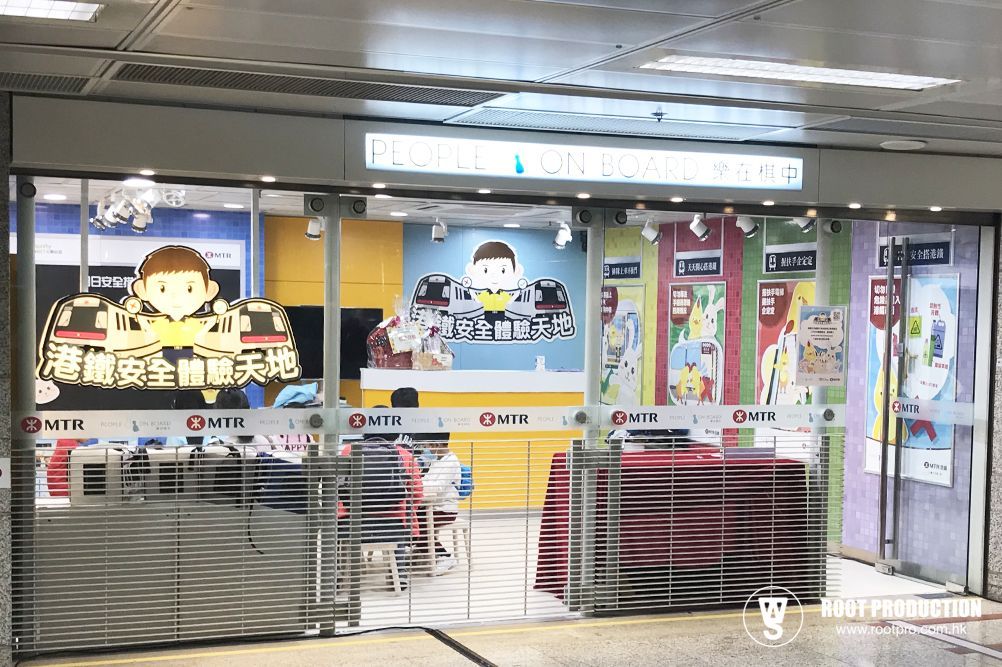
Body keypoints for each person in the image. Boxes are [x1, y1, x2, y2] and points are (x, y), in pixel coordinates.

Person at [338, 431, 423, 590]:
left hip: (351, 529)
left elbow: (338, 490)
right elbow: (417, 493)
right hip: (393, 529)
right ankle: (399, 573)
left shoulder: (348, 451)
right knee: (401, 521)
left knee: (337, 523)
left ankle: (338, 573)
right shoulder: (404, 454)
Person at [418, 433, 462, 574]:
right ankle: (424, 549)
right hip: (431, 506)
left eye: (428, 446)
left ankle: (445, 556)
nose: (427, 450)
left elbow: (438, 486)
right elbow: (427, 480)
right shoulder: (437, 461)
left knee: (416, 526)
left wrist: (417, 485)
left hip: (445, 509)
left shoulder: (451, 462)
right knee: (409, 521)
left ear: (436, 445)